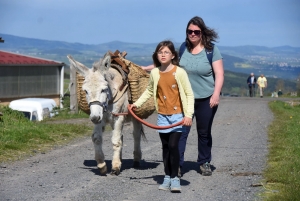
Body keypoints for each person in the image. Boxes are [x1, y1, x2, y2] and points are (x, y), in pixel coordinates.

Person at [141, 16, 224, 177]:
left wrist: (216, 94)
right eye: (189, 31)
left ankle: (204, 162)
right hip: (184, 99)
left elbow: (219, 74)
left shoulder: (211, 50)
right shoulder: (183, 48)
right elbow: (169, 65)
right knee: (180, 131)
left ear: (202, 32)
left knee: (204, 131)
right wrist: (147, 68)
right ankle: (177, 165)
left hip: (206, 98)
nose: (192, 34)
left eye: (196, 32)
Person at [130, 40, 194, 192]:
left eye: (166, 52)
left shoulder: (179, 72)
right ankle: (167, 177)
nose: (163, 54)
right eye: (160, 52)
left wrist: (189, 115)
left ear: (173, 55)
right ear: (156, 55)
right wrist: (136, 104)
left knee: (173, 146)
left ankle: (175, 178)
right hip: (163, 117)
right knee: (165, 147)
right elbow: (150, 92)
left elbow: (189, 94)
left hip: (178, 116)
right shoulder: (154, 73)